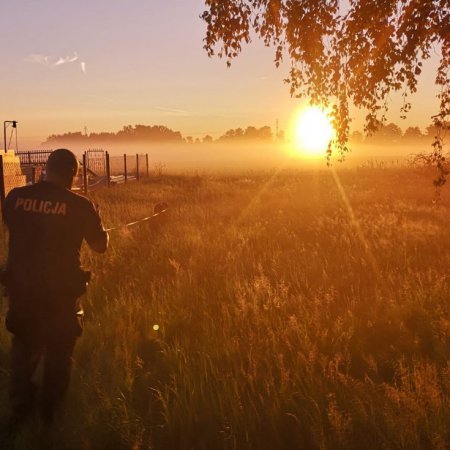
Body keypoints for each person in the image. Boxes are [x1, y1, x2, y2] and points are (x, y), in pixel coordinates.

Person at [1, 148, 109, 428]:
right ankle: (49, 417)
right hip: (60, 296)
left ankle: (19, 412)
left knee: (23, 348)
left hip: (21, 291)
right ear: (73, 174)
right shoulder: (80, 205)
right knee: (59, 353)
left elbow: (15, 227)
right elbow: (100, 247)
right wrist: (99, 222)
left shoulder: (15, 198)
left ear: (45, 169)